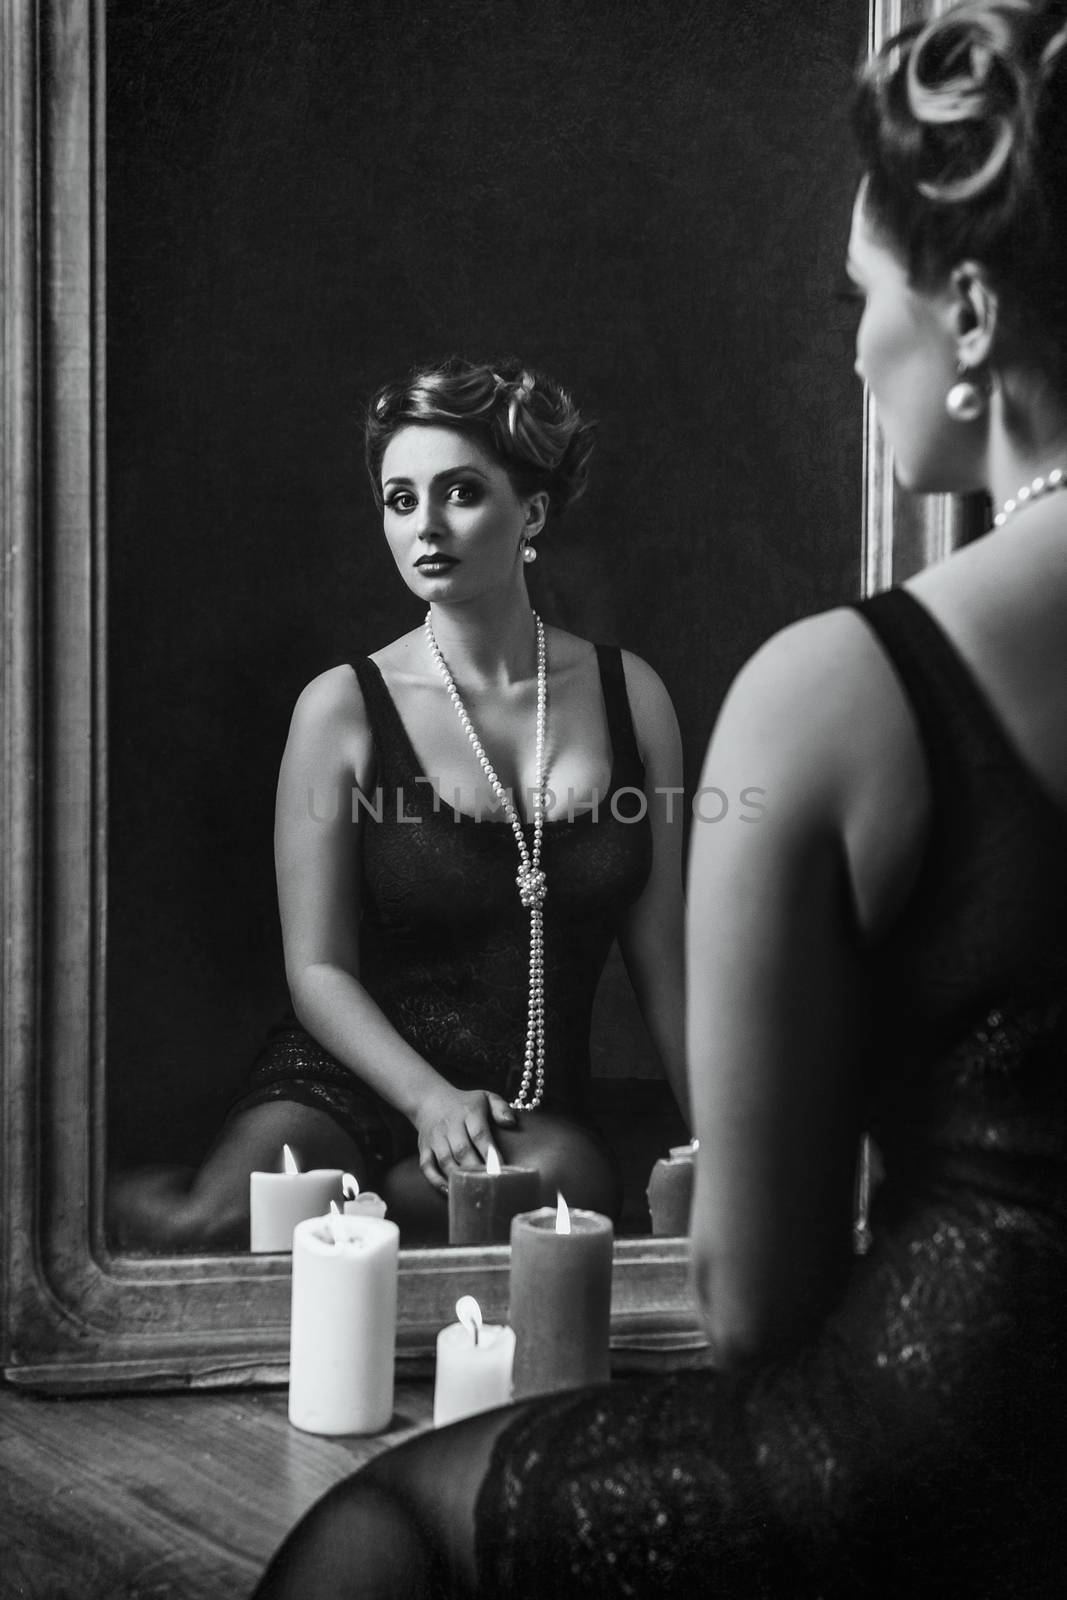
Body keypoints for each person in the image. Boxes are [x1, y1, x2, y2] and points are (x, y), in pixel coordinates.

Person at [251, 2, 1067, 1594]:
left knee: (378, 1535)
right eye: (397, 498)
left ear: (966, 313)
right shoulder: (346, 711)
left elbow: (753, 1311)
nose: (849, 345)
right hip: (379, 1095)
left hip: (979, 1452)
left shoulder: (833, 689)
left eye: (862, 297)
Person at [108, 356, 688, 1250]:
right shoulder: (340, 706)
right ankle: (46, 1200)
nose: (426, 526)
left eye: (459, 492)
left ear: (530, 512)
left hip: (520, 1105)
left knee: (567, 1188)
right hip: (354, 1078)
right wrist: (426, 1099)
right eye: (400, 499)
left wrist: (729, 1138)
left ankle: (371, 1204)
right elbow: (318, 970)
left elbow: (667, 958)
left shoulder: (628, 694)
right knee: (218, 1225)